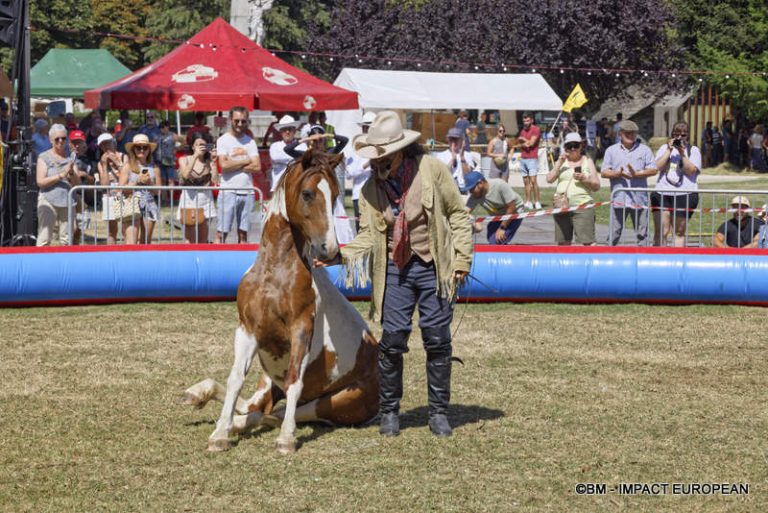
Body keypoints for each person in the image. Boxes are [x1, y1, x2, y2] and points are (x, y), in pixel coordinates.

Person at [328, 110, 473, 438]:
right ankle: (390, 412)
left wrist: (462, 259)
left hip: (434, 266)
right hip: (395, 269)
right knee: (392, 342)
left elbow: (457, 214)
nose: (378, 163)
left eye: (384, 156)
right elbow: (369, 235)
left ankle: (438, 413)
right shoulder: (370, 190)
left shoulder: (431, 169)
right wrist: (340, 255)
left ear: (400, 151)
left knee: (437, 340)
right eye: (375, 157)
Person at [601, 119, 657, 246]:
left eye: (633, 133)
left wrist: (637, 174)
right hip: (619, 199)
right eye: (627, 133)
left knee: (642, 235)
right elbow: (604, 172)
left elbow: (653, 170)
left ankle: (643, 256)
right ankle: (608, 256)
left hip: (639, 199)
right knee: (614, 233)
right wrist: (618, 174)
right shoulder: (611, 150)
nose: (630, 135)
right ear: (620, 134)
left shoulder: (645, 150)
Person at [651, 122, 701, 247]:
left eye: (683, 135)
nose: (679, 137)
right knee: (661, 231)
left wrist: (682, 153)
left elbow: (691, 171)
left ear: (688, 135)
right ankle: (659, 256)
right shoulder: (664, 148)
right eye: (676, 134)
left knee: (679, 232)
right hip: (662, 192)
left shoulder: (693, 150)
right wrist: (669, 150)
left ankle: (677, 257)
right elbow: (656, 167)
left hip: (685, 194)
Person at [216, 106, 261, 243]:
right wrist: (247, 160)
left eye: (243, 121)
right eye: (237, 121)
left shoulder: (250, 141)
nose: (240, 124)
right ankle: (217, 255)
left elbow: (257, 167)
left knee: (243, 235)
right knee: (221, 233)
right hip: (228, 190)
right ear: (230, 120)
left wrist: (233, 164)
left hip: (247, 191)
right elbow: (223, 165)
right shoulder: (223, 140)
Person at [546, 133, 600, 245]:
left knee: (588, 242)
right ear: (565, 148)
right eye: (569, 146)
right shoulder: (561, 162)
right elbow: (549, 179)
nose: (572, 149)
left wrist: (585, 179)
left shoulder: (588, 161)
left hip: (582, 205)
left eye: (575, 145)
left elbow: (596, 186)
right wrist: (559, 163)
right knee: (563, 243)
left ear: (581, 146)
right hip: (561, 206)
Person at [35, 124, 81, 246]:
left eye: (63, 138)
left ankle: (65, 259)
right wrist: (61, 175)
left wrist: (71, 172)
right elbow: (40, 182)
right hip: (48, 201)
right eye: (57, 139)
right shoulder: (44, 157)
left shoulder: (70, 158)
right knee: (44, 239)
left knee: (67, 240)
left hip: (67, 201)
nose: (60, 141)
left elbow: (77, 184)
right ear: (51, 140)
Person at [120, 133, 162, 244]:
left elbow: (158, 191)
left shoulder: (155, 168)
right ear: (133, 149)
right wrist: (137, 182)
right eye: (138, 147)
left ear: (149, 150)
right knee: (131, 242)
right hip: (131, 204)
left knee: (146, 243)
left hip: (149, 205)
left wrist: (149, 183)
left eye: (145, 147)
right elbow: (121, 189)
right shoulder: (127, 166)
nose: (142, 150)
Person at [177, 132, 218, 244]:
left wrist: (214, 163)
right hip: (189, 199)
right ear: (192, 147)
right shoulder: (184, 159)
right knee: (189, 239)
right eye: (198, 145)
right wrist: (195, 157)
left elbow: (215, 181)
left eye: (203, 145)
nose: (200, 147)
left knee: (203, 240)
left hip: (205, 199)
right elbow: (185, 175)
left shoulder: (208, 162)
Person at [463, 171, 524, 245]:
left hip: (515, 212)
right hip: (499, 216)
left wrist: (502, 228)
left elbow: (512, 207)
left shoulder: (500, 185)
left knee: (498, 240)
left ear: (481, 183)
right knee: (492, 239)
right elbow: (464, 212)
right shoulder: (475, 195)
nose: (470, 192)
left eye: (472, 188)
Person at [345, 112, 376, 231]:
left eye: (371, 128)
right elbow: (349, 173)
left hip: (377, 194)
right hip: (360, 195)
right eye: (366, 128)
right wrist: (368, 164)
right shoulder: (355, 148)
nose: (367, 130)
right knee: (362, 230)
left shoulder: (379, 147)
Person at [96, 133, 127, 245]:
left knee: (126, 229)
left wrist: (117, 163)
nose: (106, 147)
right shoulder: (100, 163)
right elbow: (104, 186)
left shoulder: (124, 157)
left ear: (113, 142)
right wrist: (104, 166)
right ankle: (111, 253)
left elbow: (127, 176)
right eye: (103, 145)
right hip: (109, 197)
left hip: (125, 196)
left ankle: (128, 252)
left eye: (108, 143)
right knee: (111, 231)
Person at [268, 114, 302, 193]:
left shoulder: (302, 145)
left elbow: (304, 158)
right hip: (278, 187)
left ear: (294, 131)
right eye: (284, 129)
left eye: (290, 129)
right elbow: (275, 157)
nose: (287, 132)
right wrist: (295, 158)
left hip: (296, 188)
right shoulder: (274, 146)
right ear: (280, 132)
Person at [436, 127, 476, 192]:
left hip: (463, 189)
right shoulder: (440, 155)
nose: (453, 142)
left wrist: (462, 157)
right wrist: (453, 159)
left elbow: (468, 175)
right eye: (451, 139)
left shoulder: (468, 155)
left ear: (462, 141)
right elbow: (442, 174)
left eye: (456, 139)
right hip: (447, 189)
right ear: (448, 140)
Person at [518, 112, 542, 210]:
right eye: (524, 121)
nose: (526, 122)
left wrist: (523, 140)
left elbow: (531, 143)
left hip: (532, 158)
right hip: (523, 158)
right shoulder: (522, 131)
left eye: (527, 120)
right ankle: (528, 201)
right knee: (526, 182)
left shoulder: (536, 129)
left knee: (533, 181)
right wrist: (524, 143)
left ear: (532, 120)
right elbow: (520, 145)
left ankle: (537, 201)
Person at [157, 120, 181, 204]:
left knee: (171, 180)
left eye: (163, 127)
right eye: (161, 127)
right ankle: (164, 199)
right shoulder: (158, 136)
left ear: (167, 127)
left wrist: (176, 149)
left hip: (170, 161)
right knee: (163, 180)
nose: (162, 129)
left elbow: (183, 142)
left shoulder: (173, 135)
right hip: (160, 160)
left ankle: (171, 199)